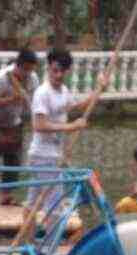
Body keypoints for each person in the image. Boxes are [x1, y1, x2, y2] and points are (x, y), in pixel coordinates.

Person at [26, 49, 107, 219]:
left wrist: (99, 89)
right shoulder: (42, 92)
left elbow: (78, 107)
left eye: (62, 71)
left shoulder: (63, 90)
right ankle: (48, 237)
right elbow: (39, 125)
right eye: (55, 70)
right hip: (42, 155)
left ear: (67, 71)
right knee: (54, 206)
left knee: (33, 203)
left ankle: (28, 235)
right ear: (48, 68)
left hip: (53, 155)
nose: (58, 75)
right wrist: (71, 127)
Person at [0, 49, 39, 207]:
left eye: (30, 69)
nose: (27, 73)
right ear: (18, 65)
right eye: (25, 69)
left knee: (13, 159)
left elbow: (32, 102)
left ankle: (6, 195)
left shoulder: (32, 79)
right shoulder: (1, 78)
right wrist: (12, 99)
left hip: (14, 120)